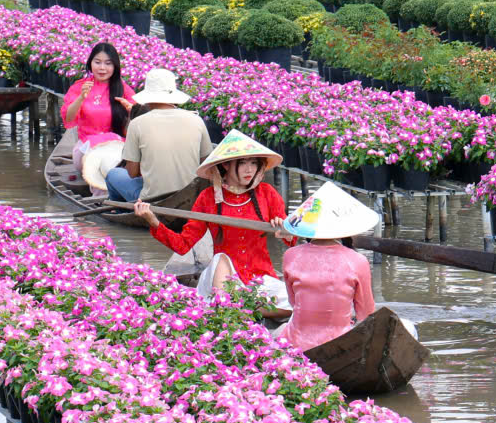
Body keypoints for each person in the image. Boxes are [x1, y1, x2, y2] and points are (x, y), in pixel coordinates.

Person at [134, 129, 293, 306]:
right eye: (243, 163)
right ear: (226, 165)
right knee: (221, 258)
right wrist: (152, 221)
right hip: (224, 277)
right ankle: (229, 306)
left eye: (254, 163)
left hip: (260, 278)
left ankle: (244, 309)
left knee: (295, 303)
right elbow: (182, 245)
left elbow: (291, 239)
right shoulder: (207, 198)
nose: (250, 169)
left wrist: (285, 230)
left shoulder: (267, 193)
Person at [275, 182, 378, 350]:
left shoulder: (291, 256)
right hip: (339, 345)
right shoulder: (357, 260)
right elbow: (366, 313)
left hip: (298, 342)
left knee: (280, 331)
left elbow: (294, 303)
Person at [104, 68, 211, 203]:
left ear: (148, 98)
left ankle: (120, 211)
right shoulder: (196, 120)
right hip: (191, 196)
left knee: (113, 174)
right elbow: (206, 163)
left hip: (152, 200)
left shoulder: (137, 124)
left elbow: (132, 173)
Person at [62, 42, 135, 178]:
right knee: (103, 164)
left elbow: (140, 116)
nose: (102, 68)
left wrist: (131, 110)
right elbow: (69, 118)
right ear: (90, 63)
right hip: (86, 148)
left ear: (115, 66)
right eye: (97, 62)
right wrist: (81, 98)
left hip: (117, 148)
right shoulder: (80, 86)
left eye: (108, 63)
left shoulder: (122, 88)